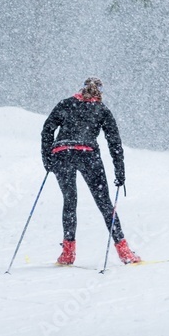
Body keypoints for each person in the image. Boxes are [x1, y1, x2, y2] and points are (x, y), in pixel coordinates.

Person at [41, 77, 141, 265]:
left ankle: (68, 254)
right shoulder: (102, 110)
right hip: (88, 154)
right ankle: (124, 251)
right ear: (100, 93)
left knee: (69, 201)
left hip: (62, 153)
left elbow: (47, 129)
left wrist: (47, 158)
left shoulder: (66, 104)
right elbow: (115, 143)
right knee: (105, 204)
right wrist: (120, 171)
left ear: (81, 88)